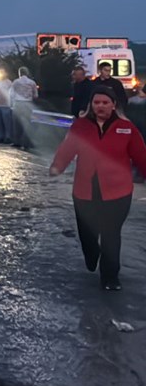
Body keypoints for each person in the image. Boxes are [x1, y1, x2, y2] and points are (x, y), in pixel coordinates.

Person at [50, 87, 146, 290]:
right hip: (85, 190)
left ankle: (110, 277)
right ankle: (92, 253)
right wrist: (58, 165)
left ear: (113, 105)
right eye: (96, 103)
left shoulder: (126, 128)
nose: (100, 106)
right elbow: (68, 148)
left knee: (111, 233)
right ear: (91, 105)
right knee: (87, 232)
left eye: (104, 103)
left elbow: (140, 155)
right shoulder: (81, 126)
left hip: (118, 191)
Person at [11, 67, 38, 149]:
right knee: (27, 124)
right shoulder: (32, 82)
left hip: (18, 103)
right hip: (28, 104)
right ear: (27, 73)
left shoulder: (15, 82)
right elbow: (36, 95)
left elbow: (11, 94)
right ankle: (26, 143)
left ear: (19, 73)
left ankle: (17, 142)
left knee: (17, 124)